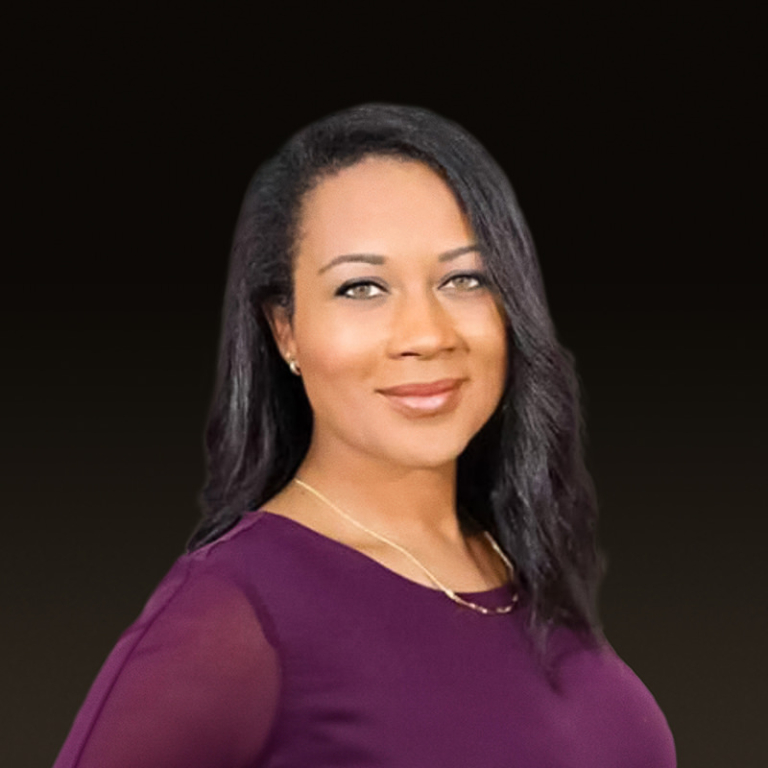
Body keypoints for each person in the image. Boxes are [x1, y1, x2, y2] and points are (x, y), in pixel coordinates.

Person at [54, 103, 676, 767]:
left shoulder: (516, 559)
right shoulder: (237, 608)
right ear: (285, 330)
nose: (426, 335)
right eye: (362, 288)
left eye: (465, 279)